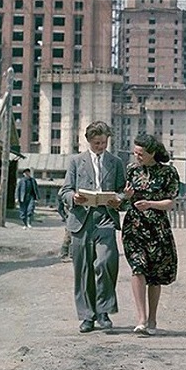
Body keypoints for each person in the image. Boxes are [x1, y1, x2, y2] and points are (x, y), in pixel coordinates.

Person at [59, 121, 126, 333]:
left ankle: (103, 311)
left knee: (106, 261)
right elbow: (65, 191)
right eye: (97, 143)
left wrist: (119, 199)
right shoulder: (76, 162)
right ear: (88, 141)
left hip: (105, 218)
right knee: (84, 268)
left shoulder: (115, 162)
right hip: (81, 220)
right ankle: (87, 316)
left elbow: (122, 191)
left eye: (104, 142)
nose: (101, 146)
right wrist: (74, 198)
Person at [121, 133, 179, 335]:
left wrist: (151, 204)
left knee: (154, 275)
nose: (137, 157)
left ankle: (153, 318)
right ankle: (141, 319)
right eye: (135, 153)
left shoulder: (168, 172)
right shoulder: (131, 170)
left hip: (157, 228)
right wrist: (127, 197)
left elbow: (171, 202)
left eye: (141, 153)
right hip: (134, 227)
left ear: (152, 153)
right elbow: (124, 201)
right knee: (138, 268)